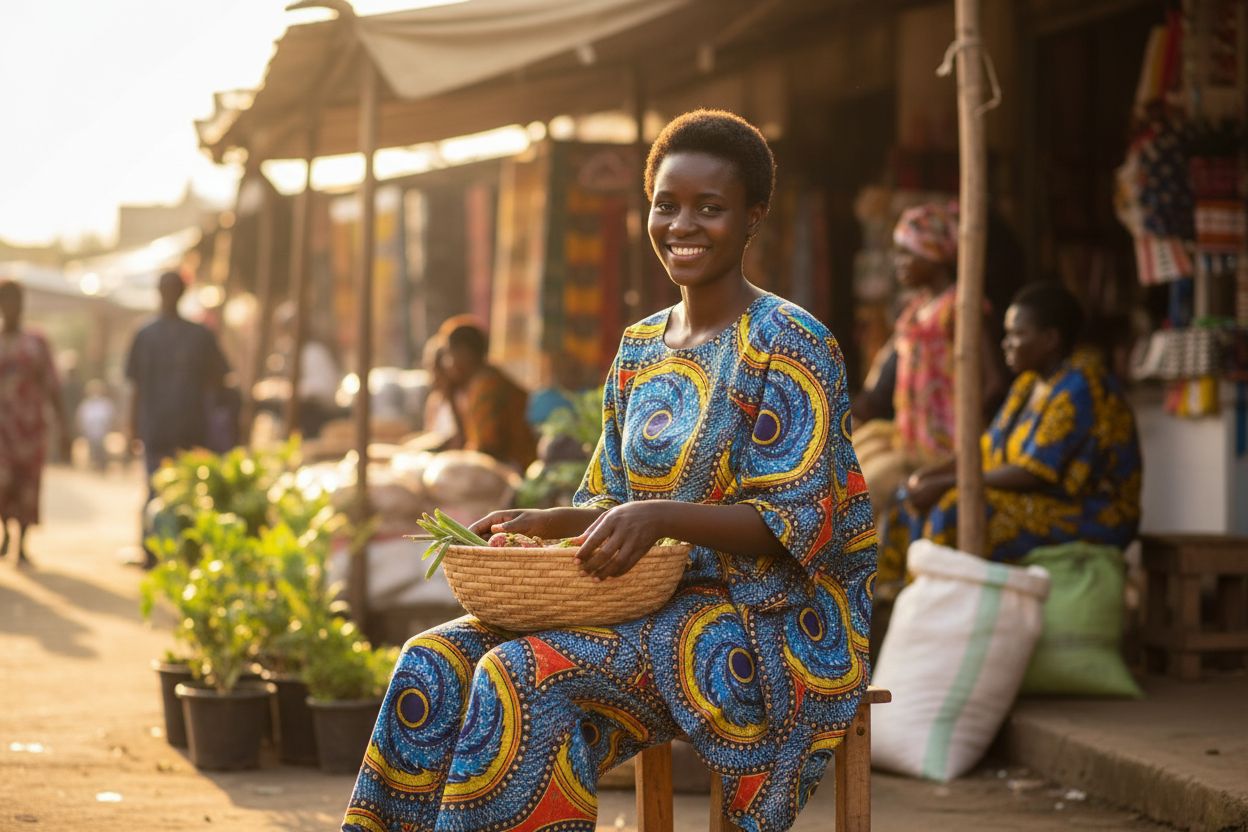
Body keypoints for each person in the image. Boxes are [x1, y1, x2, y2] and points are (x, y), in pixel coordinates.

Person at [342, 110, 875, 832]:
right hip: (640, 605)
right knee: (430, 659)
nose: (682, 225)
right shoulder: (640, 347)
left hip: (765, 618)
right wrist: (553, 522)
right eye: (666, 204)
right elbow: (614, 501)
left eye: (709, 208)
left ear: (753, 217)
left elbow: (799, 525)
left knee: (524, 671)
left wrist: (657, 518)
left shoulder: (793, 342)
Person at [888, 282, 1142, 565]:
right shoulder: (1027, 385)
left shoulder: (1083, 385)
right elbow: (983, 452)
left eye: (1017, 334)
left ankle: (939, 601)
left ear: (1050, 340)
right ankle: (896, 600)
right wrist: (927, 477)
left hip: (1094, 513)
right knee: (902, 501)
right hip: (1041, 501)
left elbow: (1035, 472)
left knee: (954, 507)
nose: (1005, 343)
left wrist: (949, 484)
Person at [850, 203, 1005, 586]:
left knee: (864, 496)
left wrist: (966, 443)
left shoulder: (962, 307)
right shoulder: (915, 310)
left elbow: (995, 381)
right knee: (846, 469)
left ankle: (871, 588)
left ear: (935, 254)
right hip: (908, 437)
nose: (898, 261)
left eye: (908, 252)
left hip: (940, 447)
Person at [125, 271, 229, 566]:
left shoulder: (200, 336)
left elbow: (219, 377)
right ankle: (151, 550)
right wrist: (132, 428)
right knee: (154, 490)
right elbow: (136, 386)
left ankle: (186, 552)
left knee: (188, 493)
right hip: (156, 427)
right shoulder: (144, 335)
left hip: (191, 428)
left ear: (182, 292)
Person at [0, 280, 70, 567]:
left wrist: (65, 426)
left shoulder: (37, 342)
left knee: (28, 484)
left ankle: (22, 542)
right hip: (1, 428)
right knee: (2, 481)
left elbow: (53, 385)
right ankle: (5, 531)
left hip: (31, 428)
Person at [440, 318, 538, 472]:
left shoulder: (487, 386)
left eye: (449, 354)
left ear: (465, 353)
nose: (446, 364)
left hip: (516, 466)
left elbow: (487, 448)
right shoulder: (478, 383)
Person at [76, 379, 117, 472]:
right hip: (90, 432)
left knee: (101, 449)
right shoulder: (86, 404)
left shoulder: (105, 403)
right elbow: (81, 418)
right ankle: (93, 466)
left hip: (102, 431)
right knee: (92, 449)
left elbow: (111, 417)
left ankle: (102, 466)